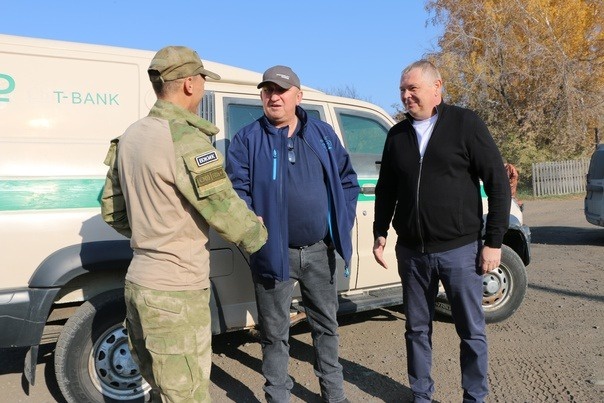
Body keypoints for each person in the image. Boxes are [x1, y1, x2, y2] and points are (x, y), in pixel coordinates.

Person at [101, 45, 267, 402]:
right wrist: (261, 234)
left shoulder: (130, 135)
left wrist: (153, 232)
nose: (203, 89)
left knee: (162, 388)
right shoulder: (186, 140)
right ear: (190, 84)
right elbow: (225, 211)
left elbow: (112, 212)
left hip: (139, 283)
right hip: (176, 291)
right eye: (203, 82)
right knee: (187, 395)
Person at [372, 60, 511, 403]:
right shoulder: (397, 135)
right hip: (413, 253)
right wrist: (380, 231)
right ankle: (422, 395)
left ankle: (474, 396)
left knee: (471, 331)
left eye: (413, 89)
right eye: (402, 90)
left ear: (437, 88)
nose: (406, 96)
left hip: (460, 251)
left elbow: (498, 184)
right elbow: (386, 188)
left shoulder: (465, 124)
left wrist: (493, 242)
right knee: (416, 330)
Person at [226, 65, 359, 403]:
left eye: (280, 90)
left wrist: (339, 222)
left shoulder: (323, 135)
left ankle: (334, 394)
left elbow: (348, 181)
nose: (273, 96)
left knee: (326, 327)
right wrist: (249, 215)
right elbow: (236, 188)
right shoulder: (247, 139)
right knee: (274, 334)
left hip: (318, 250)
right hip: (273, 252)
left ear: (298, 96)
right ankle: (277, 396)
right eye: (267, 90)